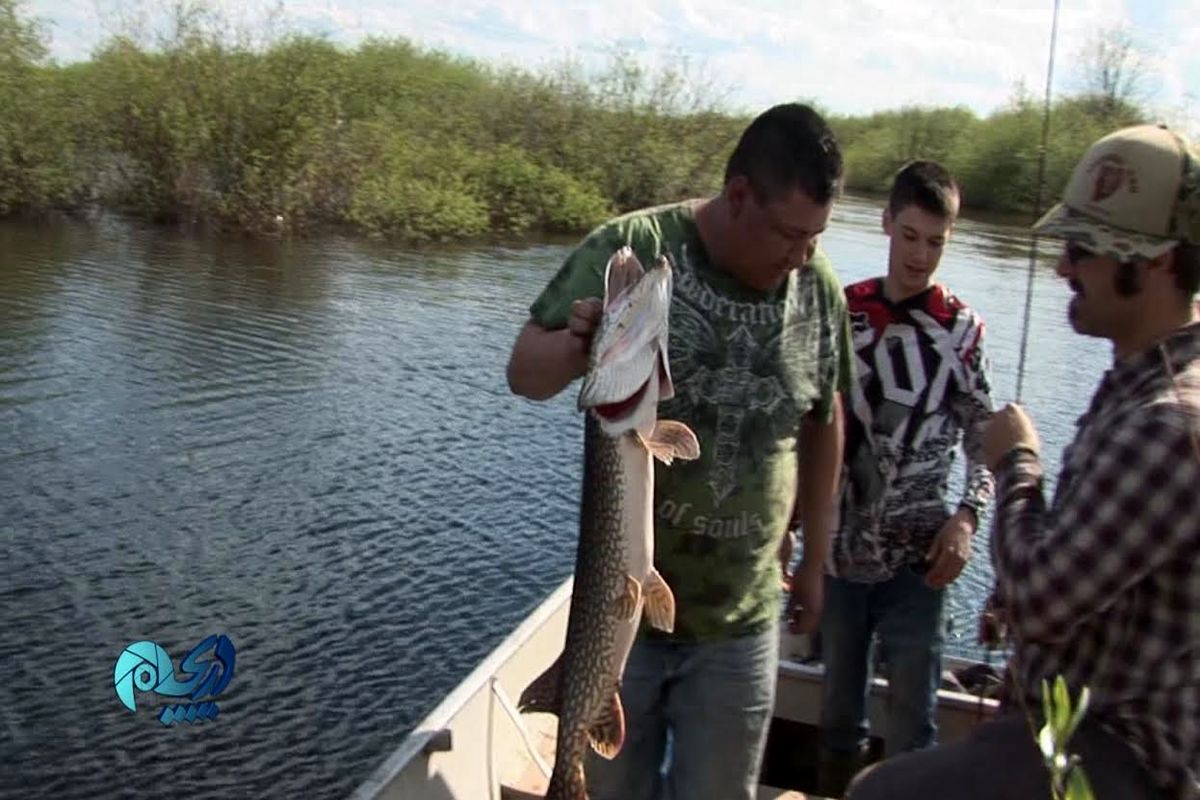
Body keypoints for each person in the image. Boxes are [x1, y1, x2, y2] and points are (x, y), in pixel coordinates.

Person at [505, 103, 854, 800]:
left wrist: (816, 560)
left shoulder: (816, 290)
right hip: (615, 619)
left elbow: (826, 424)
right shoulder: (634, 245)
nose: (803, 255)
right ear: (738, 196)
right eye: (790, 234)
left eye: (815, 236)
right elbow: (524, 371)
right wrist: (578, 346)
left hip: (741, 620)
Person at [846, 124, 1200, 800]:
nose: (1063, 266)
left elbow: (1041, 598)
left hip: (1114, 752)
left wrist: (1016, 467)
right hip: (1065, 722)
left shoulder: (1168, 420)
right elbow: (1092, 568)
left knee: (878, 794)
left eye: (1082, 247)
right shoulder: (1140, 380)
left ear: (1154, 262)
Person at [812, 160, 995, 794]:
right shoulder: (844, 312)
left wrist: (968, 516)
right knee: (837, 718)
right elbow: (808, 423)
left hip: (921, 560)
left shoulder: (963, 332)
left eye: (937, 242)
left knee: (914, 725)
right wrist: (789, 524)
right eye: (911, 236)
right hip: (838, 555)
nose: (921, 256)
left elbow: (985, 440)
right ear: (887, 223)